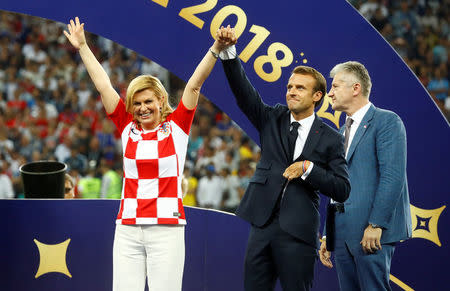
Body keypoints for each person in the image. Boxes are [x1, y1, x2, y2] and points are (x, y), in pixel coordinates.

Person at [64, 17, 233, 291]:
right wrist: (83, 47)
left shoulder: (177, 127)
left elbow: (193, 85)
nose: (142, 108)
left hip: (166, 229)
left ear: (161, 101)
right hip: (127, 228)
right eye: (137, 103)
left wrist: (215, 47)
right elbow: (104, 85)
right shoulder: (126, 127)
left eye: (148, 102)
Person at [217, 29, 350, 291]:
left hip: (299, 233)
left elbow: (342, 188)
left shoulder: (331, 138)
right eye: (289, 87)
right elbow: (244, 93)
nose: (292, 91)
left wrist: (308, 169)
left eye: (300, 88)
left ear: (317, 96)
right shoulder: (271, 118)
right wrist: (229, 54)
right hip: (262, 226)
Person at [319, 61, 412, 291]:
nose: (330, 93)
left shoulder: (387, 121)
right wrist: (326, 234)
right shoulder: (341, 132)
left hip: (369, 233)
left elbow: (392, 177)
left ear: (355, 88)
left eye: (336, 86)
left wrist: (376, 224)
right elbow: (336, 188)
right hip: (341, 234)